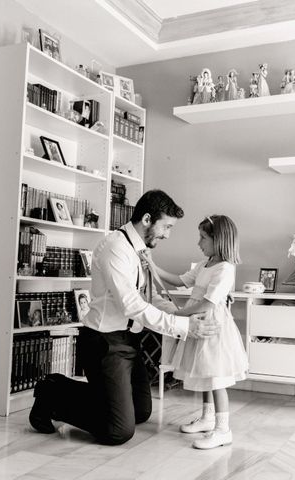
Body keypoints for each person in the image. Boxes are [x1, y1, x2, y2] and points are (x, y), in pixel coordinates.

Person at [28, 190, 220, 445]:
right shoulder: (115, 248)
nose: (167, 234)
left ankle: (99, 400)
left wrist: (179, 314)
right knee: (118, 431)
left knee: (140, 412)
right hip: (103, 342)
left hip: (129, 340)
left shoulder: (138, 249)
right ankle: (51, 392)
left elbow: (146, 297)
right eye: (167, 226)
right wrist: (183, 326)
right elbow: (131, 305)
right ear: (148, 219)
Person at [153, 215, 248, 449]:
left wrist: (179, 315)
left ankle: (223, 429)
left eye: (203, 237)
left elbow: (208, 304)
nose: (199, 242)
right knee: (205, 372)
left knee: (216, 377)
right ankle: (207, 418)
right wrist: (152, 266)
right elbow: (179, 280)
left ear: (218, 240)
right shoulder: (204, 265)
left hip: (212, 327)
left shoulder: (225, 269)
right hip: (197, 323)